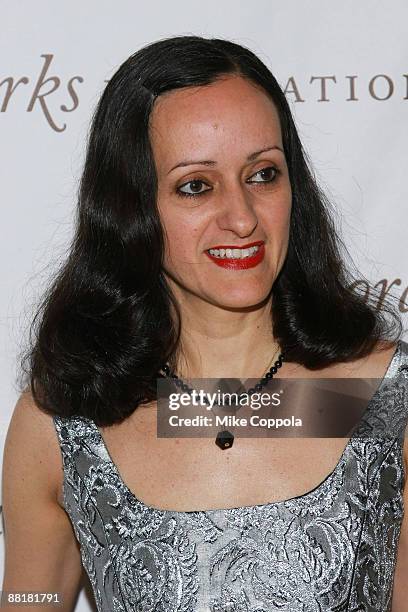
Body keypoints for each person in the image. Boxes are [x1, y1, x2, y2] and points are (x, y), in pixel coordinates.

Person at [2, 34, 408, 612]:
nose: (242, 218)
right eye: (196, 186)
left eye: (264, 174)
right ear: (131, 208)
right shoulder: (65, 420)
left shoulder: (387, 399)